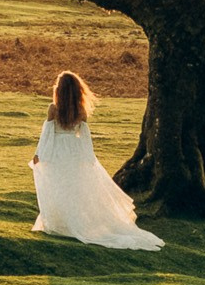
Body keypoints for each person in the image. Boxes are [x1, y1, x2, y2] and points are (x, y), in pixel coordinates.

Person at [31, 72, 163, 252]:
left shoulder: (53, 109)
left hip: (58, 152)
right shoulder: (80, 111)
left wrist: (40, 154)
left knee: (60, 186)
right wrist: (87, 158)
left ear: (59, 90)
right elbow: (84, 138)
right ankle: (70, 222)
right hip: (74, 152)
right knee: (74, 187)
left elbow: (47, 134)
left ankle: (61, 222)